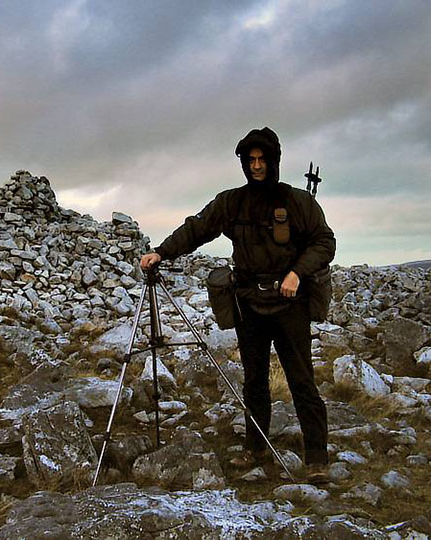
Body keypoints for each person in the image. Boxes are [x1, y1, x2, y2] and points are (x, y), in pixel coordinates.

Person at [140, 127, 335, 484]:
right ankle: (257, 447)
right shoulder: (232, 202)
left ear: (274, 161)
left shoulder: (298, 202)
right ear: (244, 163)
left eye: (262, 159)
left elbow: (324, 242)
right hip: (249, 303)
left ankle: (317, 457)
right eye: (251, 160)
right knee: (254, 381)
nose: (257, 166)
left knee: (302, 380)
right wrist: (162, 252)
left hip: (291, 304)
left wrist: (296, 273)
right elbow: (197, 228)